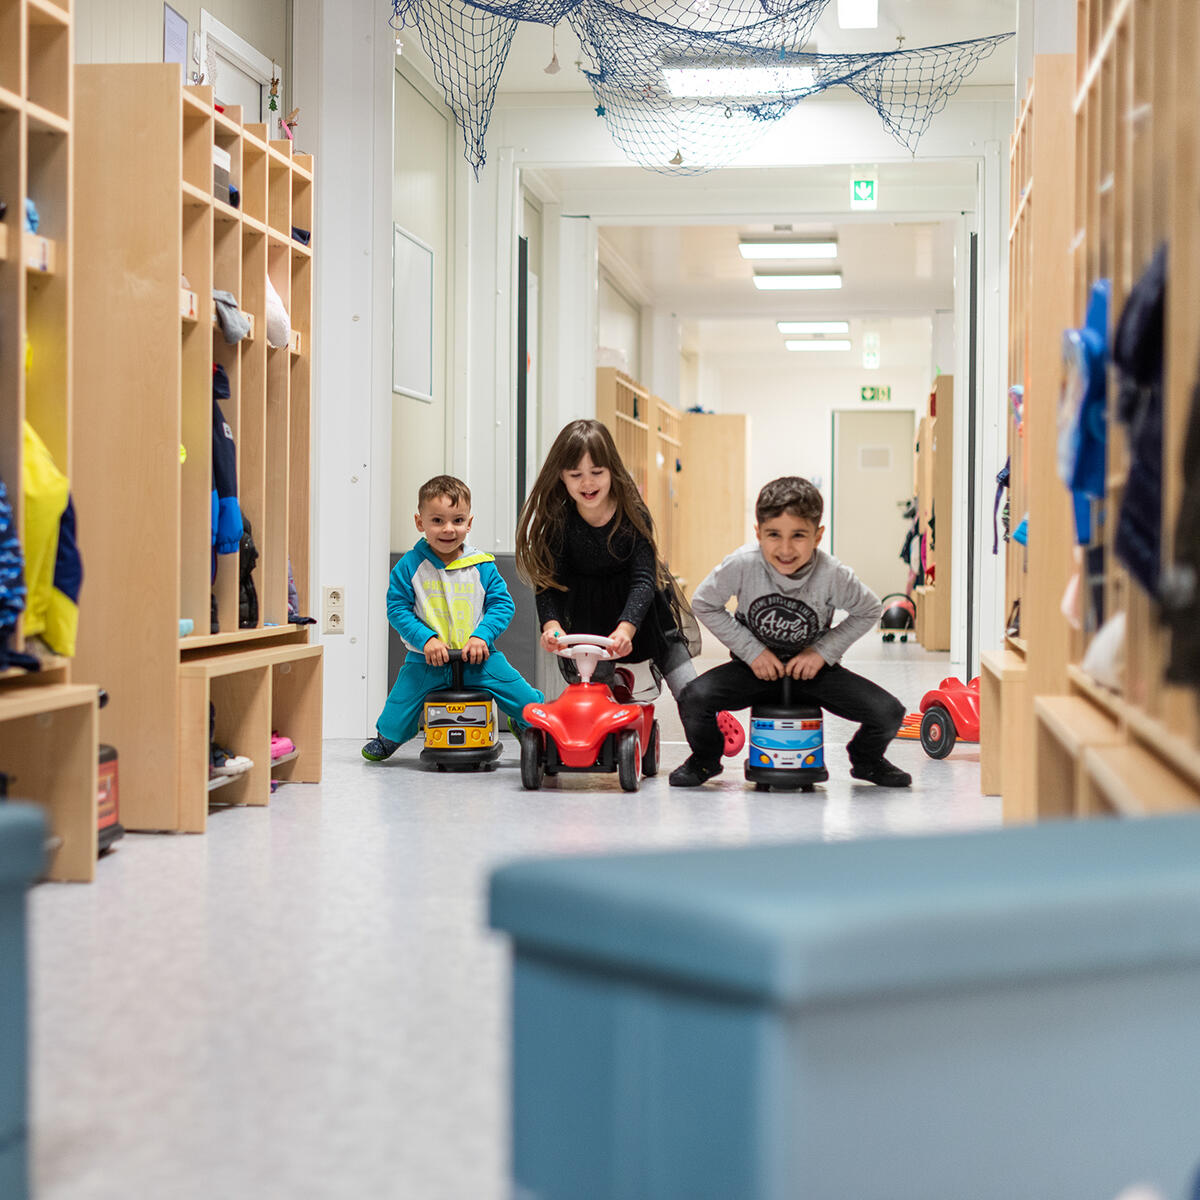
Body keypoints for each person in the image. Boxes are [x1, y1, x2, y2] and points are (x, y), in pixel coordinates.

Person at [515, 419, 744, 755]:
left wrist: (627, 628)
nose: (587, 483)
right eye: (575, 474)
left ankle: (709, 724)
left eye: (596, 472)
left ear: (612, 471)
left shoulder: (632, 514)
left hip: (643, 613)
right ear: (561, 476)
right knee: (596, 692)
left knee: (683, 680)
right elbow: (548, 582)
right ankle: (605, 748)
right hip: (589, 619)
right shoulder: (558, 522)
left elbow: (643, 580)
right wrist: (551, 625)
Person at [669, 475, 910, 789]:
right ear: (758, 533)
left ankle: (867, 760)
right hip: (752, 671)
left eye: (798, 535)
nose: (785, 548)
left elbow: (870, 609)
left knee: (889, 712)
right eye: (773, 535)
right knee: (693, 698)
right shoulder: (742, 564)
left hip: (813, 674)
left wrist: (821, 653)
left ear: (818, 535)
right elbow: (704, 603)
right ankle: (705, 760)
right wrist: (752, 652)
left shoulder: (833, 574)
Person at [362, 475, 543, 761]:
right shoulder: (409, 566)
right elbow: (397, 608)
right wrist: (426, 640)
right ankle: (389, 737)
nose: (448, 529)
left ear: (469, 523)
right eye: (437, 520)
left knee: (523, 696)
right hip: (426, 659)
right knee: (399, 705)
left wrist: (482, 636)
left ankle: (526, 724)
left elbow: (502, 605)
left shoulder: (481, 566)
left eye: (457, 521)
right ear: (420, 522)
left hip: (479, 657)